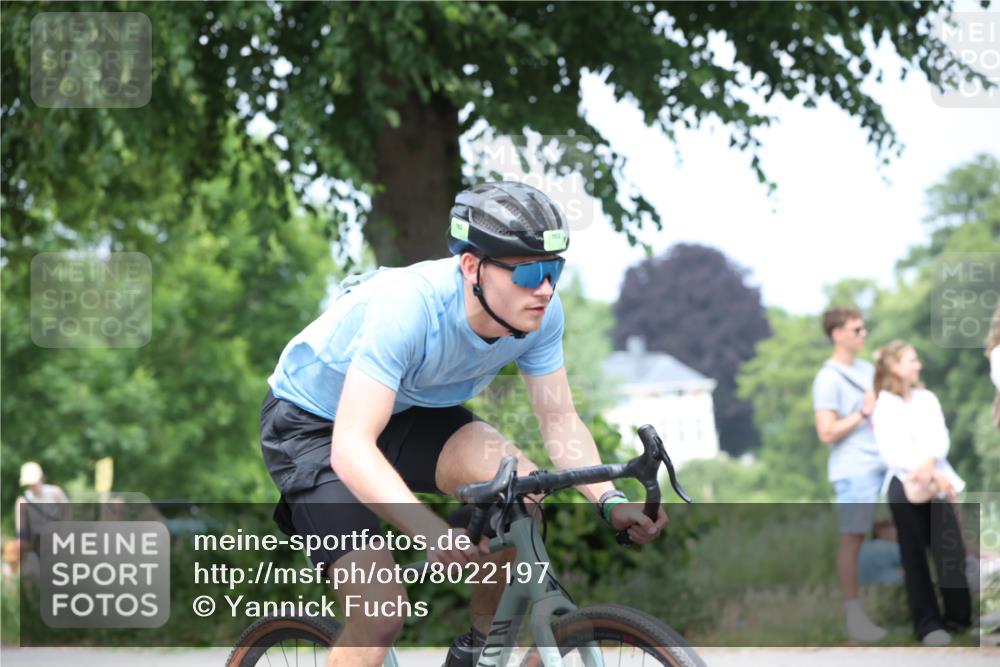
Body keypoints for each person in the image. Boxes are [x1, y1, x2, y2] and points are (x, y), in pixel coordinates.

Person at [260, 181, 669, 667]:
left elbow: (560, 422)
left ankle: (480, 651)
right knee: (380, 612)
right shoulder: (409, 307)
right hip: (313, 428)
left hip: (407, 413)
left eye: (553, 270)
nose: (544, 288)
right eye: (528, 272)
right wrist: (429, 531)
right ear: (472, 267)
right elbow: (351, 447)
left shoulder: (539, 313)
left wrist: (610, 502)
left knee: (521, 496)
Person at [872, 341, 971, 646]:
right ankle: (928, 625)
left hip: (938, 483)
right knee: (914, 555)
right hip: (905, 485)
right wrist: (924, 468)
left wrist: (929, 464)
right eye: (912, 360)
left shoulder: (927, 398)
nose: (918, 366)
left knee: (951, 553)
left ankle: (960, 620)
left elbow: (939, 436)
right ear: (894, 367)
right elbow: (892, 450)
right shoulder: (885, 404)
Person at [812, 307, 887, 641]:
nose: (863, 334)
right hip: (854, 471)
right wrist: (862, 411)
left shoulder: (868, 369)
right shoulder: (827, 378)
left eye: (864, 328)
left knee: (894, 533)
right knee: (853, 540)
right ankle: (854, 616)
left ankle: (899, 606)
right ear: (837, 334)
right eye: (857, 330)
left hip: (884, 465)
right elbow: (826, 432)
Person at [14, 461, 70, 575]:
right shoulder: (23, 501)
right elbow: (21, 527)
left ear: (41, 478)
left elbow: (67, 514)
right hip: (37, 543)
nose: (32, 487)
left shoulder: (55, 493)